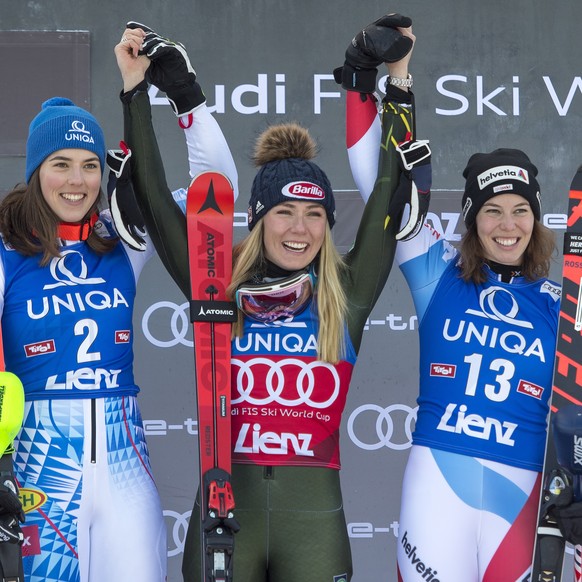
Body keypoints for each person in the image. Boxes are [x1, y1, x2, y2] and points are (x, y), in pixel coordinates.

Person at [114, 15, 421, 582]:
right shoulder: (217, 284)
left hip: (317, 528)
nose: (299, 229)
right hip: (228, 516)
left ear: (329, 225)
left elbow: (392, 188)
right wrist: (135, 92)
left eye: (314, 215)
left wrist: (397, 81)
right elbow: (155, 201)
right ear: (258, 221)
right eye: (284, 212)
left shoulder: (346, 294)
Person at [341, 29, 562, 581]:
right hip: (439, 480)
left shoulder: (563, 305)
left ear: (536, 220)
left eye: (519, 210)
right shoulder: (437, 273)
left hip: (523, 490)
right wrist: (384, 80)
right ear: (470, 219)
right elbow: (380, 185)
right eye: (492, 211)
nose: (507, 225)